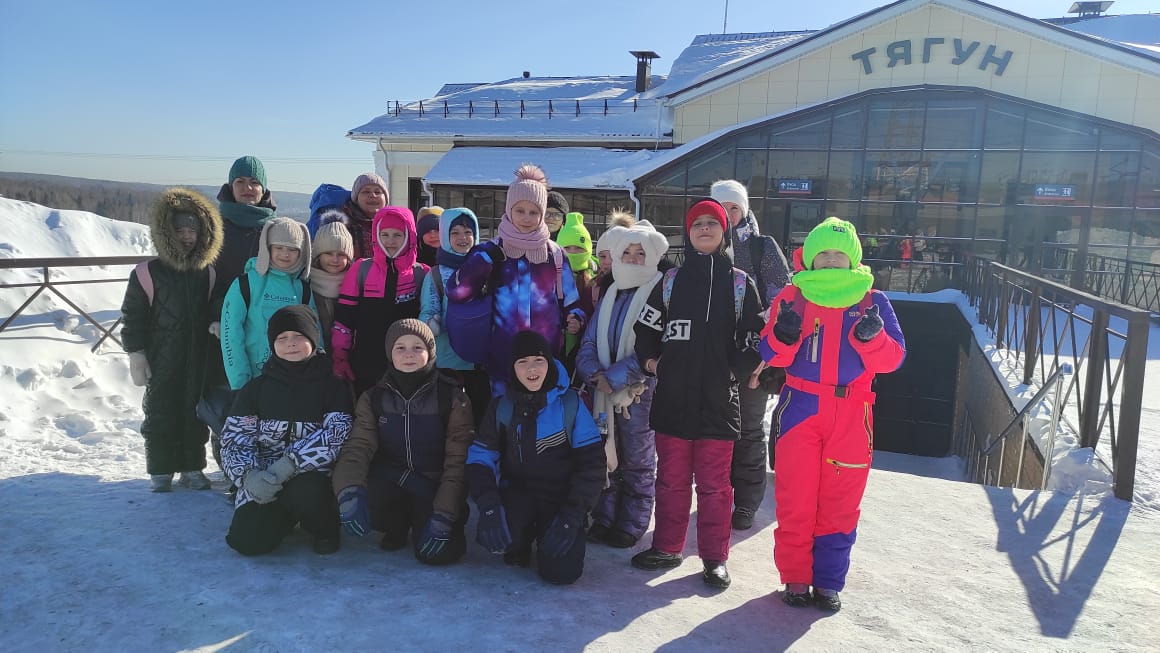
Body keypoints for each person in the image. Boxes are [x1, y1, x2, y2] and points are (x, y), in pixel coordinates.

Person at [752, 216, 905, 612]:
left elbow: (893, 359)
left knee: (840, 502)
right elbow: (770, 354)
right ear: (811, 261)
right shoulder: (792, 297)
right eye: (824, 255)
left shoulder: (873, 301)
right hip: (800, 407)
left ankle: (828, 582)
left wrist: (871, 340)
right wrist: (783, 337)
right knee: (795, 499)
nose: (832, 262)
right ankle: (796, 579)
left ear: (853, 259)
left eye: (840, 255)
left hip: (854, 413)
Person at [631, 199, 765, 590]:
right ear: (687, 232)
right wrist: (653, 365)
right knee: (670, 482)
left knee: (715, 487)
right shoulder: (671, 281)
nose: (704, 229)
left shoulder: (740, 283)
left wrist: (732, 373)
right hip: (672, 402)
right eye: (697, 224)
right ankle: (668, 546)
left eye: (712, 223)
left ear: (724, 231)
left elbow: (754, 341)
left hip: (720, 406)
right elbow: (645, 332)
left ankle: (714, 558)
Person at [466, 331, 605, 585]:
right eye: (522, 362)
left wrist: (571, 518)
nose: (531, 369)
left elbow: (593, 465)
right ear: (513, 368)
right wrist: (488, 506)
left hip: (561, 500)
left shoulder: (570, 404)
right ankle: (521, 538)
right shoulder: (502, 406)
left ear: (549, 364)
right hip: (517, 495)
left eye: (538, 361)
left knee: (561, 573)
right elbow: (479, 458)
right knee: (501, 541)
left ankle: (552, 532)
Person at [330, 320, 474, 565]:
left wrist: (445, 514)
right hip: (392, 479)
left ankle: (442, 518)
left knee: (437, 554)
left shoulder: (451, 397)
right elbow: (359, 447)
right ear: (390, 354)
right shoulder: (374, 397)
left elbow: (458, 460)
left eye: (417, 347)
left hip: (432, 486)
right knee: (362, 497)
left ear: (430, 352)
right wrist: (347, 492)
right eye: (400, 347)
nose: (409, 354)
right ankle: (395, 525)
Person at [221, 305, 354, 556]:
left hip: (312, 475)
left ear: (313, 340)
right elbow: (234, 439)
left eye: (299, 337)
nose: (290, 344)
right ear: (272, 344)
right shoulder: (256, 389)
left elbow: (337, 433)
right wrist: (248, 477)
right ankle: (281, 518)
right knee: (246, 542)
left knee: (309, 493)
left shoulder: (332, 385)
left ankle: (324, 528)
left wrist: (289, 464)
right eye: (282, 338)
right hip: (264, 477)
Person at [446, 165, 582, 395]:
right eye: (520, 211)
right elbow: (457, 292)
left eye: (534, 212)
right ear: (509, 209)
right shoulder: (489, 250)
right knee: (504, 416)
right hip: (501, 356)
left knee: (541, 414)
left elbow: (571, 301)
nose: (527, 218)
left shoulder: (556, 254)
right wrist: (483, 262)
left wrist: (576, 317)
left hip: (544, 356)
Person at [121, 188, 223, 492]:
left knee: (194, 414)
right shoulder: (146, 273)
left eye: (193, 230)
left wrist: (217, 319)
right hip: (160, 357)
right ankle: (161, 470)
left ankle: (193, 468)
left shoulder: (208, 273)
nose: (187, 236)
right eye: (180, 230)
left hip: (197, 357)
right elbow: (133, 315)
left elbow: (215, 303)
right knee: (160, 412)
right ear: (167, 232)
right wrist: (136, 353)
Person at [575, 220, 668, 548]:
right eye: (625, 251)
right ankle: (605, 515)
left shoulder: (660, 291)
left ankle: (632, 521)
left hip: (640, 395)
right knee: (606, 454)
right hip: (602, 392)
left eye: (639, 252)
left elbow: (656, 347)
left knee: (638, 460)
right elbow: (588, 342)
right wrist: (594, 375)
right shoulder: (611, 292)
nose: (631, 257)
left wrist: (614, 378)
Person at [710, 179, 792, 530]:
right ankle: (719, 494)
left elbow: (783, 299)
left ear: (744, 210)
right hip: (712, 356)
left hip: (752, 358)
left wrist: (763, 350)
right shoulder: (704, 245)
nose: (728, 214)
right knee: (715, 430)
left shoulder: (761, 247)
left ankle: (746, 502)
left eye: (734, 207)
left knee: (747, 430)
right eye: (721, 207)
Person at [332, 206, 428, 397]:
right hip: (366, 364)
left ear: (409, 236)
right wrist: (340, 354)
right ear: (376, 235)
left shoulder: (421, 273)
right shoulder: (361, 270)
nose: (391, 241)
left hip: (408, 365)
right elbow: (344, 318)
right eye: (385, 234)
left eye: (398, 235)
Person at [220, 217, 316, 391]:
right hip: (253, 381)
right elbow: (231, 334)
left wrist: (317, 375)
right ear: (267, 248)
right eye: (279, 248)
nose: (285, 254)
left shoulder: (303, 289)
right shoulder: (246, 284)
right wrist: (240, 383)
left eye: (292, 249)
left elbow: (315, 336)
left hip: (296, 383)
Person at [419, 207, 492, 426]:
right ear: (444, 236)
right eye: (455, 232)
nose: (463, 238)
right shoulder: (435, 274)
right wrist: (431, 324)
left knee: (481, 416)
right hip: (448, 360)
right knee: (449, 419)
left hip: (482, 361)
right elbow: (428, 310)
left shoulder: (489, 269)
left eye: (468, 232)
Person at [556, 211, 597, 378]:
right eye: (567, 248)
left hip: (585, 347)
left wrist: (580, 321)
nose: (572, 252)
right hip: (555, 344)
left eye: (579, 248)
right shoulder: (550, 274)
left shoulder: (596, 277)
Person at [309, 212, 354, 351]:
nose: (335, 260)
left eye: (341, 255)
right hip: (316, 356)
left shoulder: (356, 285)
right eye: (328, 253)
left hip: (348, 355)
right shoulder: (306, 284)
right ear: (318, 255)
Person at [343, 173, 390, 260]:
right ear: (356, 198)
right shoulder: (343, 226)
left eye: (377, 192)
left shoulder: (395, 224)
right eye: (366, 191)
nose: (372, 195)